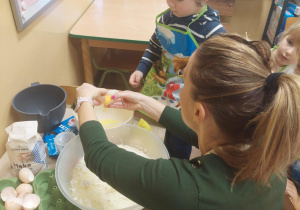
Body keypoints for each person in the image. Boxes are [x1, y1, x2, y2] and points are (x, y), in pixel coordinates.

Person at [76, 33, 300, 209]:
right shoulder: (266, 137)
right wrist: (143, 103)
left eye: (183, 79)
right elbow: (198, 130)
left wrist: (84, 98)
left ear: (198, 112)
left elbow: (99, 156)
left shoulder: (192, 188)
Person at [130, 0, 226, 160]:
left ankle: (176, 166)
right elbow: (154, 47)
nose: (171, 4)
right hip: (164, 87)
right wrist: (141, 68)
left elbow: (219, 68)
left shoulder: (212, 30)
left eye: (179, 0)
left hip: (187, 97)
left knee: (179, 140)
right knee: (167, 124)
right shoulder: (167, 19)